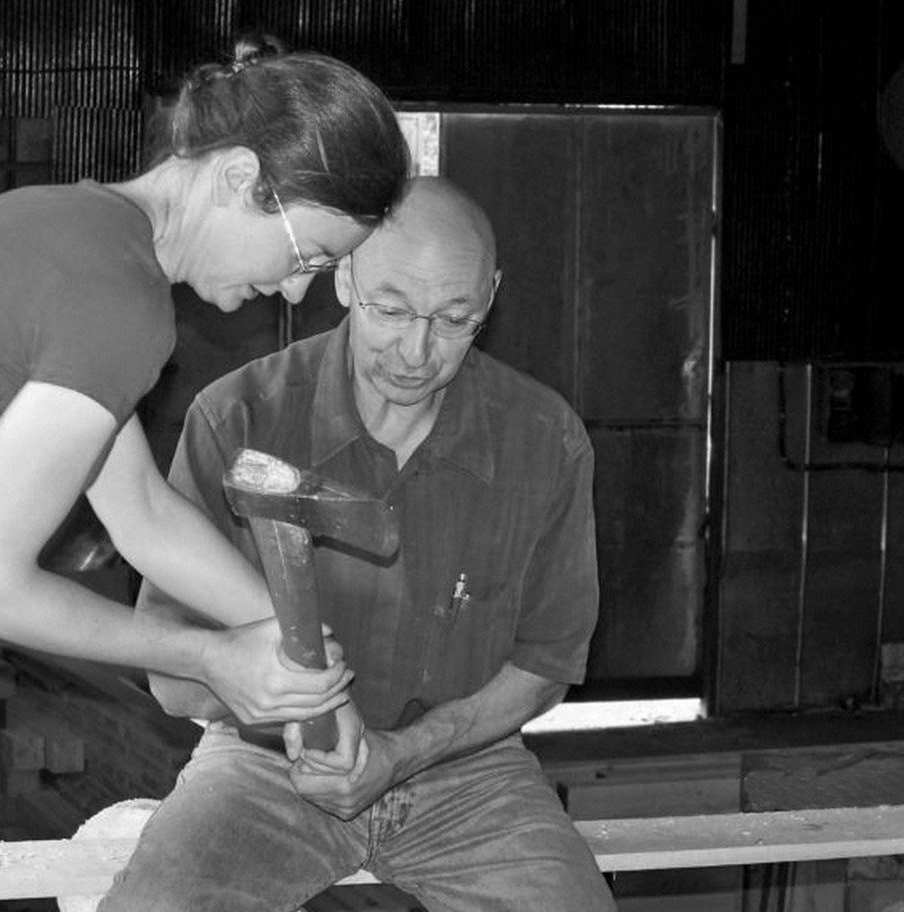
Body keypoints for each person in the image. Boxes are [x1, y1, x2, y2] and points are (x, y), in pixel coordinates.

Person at [0, 32, 409, 912]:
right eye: (308, 254)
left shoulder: (68, 232)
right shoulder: (117, 299)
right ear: (240, 178)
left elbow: (140, 512)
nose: (296, 291)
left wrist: (296, 657)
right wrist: (212, 657)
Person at [103, 176, 616, 912]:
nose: (417, 351)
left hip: (468, 771)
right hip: (265, 768)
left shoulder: (545, 440)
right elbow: (171, 669)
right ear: (344, 277)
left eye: (455, 319)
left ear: (492, 296)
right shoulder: (238, 418)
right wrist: (288, 706)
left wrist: (400, 753)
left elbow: (545, 666)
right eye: (391, 309)